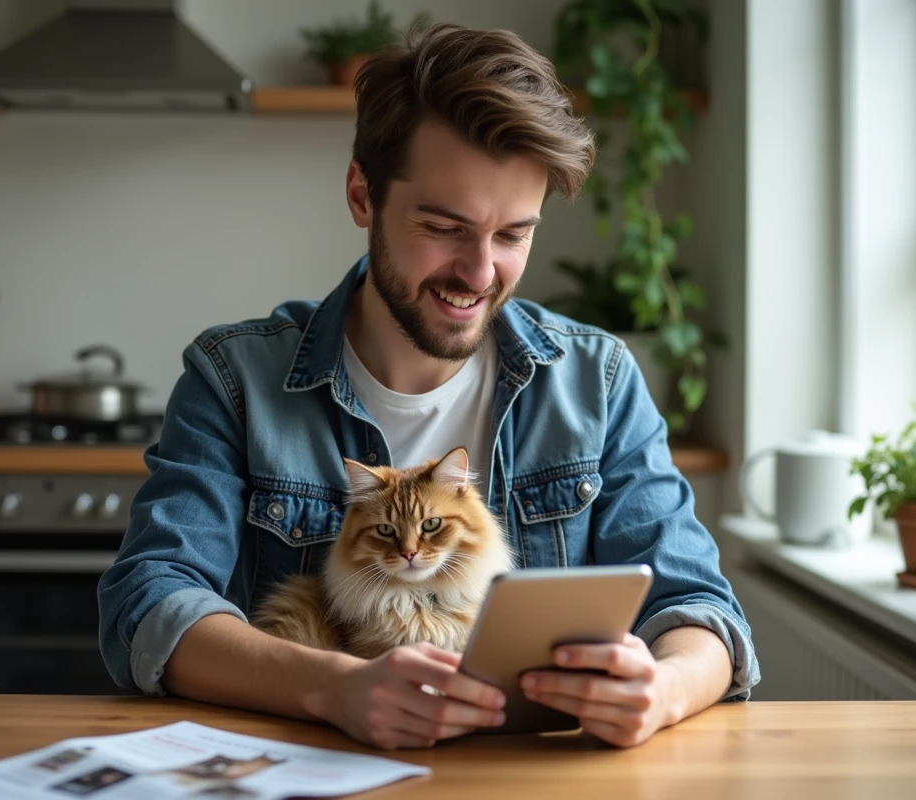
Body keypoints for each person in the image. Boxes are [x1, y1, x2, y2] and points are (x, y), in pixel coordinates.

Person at [98, 21, 759, 751]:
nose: (480, 275)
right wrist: (330, 685)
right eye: (445, 227)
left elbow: (700, 609)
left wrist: (662, 691)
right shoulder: (234, 380)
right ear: (362, 195)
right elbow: (149, 604)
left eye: (512, 235)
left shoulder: (596, 381)